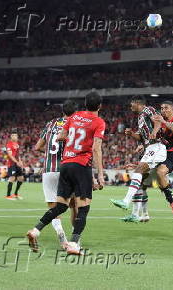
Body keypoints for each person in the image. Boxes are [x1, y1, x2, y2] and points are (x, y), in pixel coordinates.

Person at [26, 92, 106, 255]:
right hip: (81, 165)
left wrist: (73, 140)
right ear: (100, 106)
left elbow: (61, 136)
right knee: (83, 208)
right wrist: (100, 175)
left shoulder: (74, 117)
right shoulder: (99, 122)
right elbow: (96, 149)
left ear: (84, 103)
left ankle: (35, 230)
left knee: (60, 206)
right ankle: (74, 244)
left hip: (65, 164)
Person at [110, 96, 168, 221]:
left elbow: (158, 121)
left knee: (138, 171)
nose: (130, 106)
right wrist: (132, 134)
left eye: (132, 104)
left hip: (157, 146)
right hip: (149, 148)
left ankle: (126, 201)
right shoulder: (140, 118)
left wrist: (155, 131)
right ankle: (135, 215)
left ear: (138, 103)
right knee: (139, 183)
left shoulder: (148, 110)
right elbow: (142, 137)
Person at [33, 100, 78, 249]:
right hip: (66, 169)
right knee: (73, 205)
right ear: (75, 112)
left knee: (53, 207)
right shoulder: (75, 124)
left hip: (49, 170)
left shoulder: (50, 124)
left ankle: (62, 237)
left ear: (63, 111)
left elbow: (37, 147)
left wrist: (48, 156)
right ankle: (75, 239)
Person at [5, 131, 24, 200]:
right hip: (12, 164)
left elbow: (17, 154)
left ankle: (15, 194)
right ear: (11, 136)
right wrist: (17, 162)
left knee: (21, 178)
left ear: (17, 137)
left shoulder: (17, 144)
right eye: (12, 135)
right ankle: (8, 195)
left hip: (17, 163)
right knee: (12, 178)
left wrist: (20, 161)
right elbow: (10, 155)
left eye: (15, 135)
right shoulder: (9, 144)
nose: (14, 136)